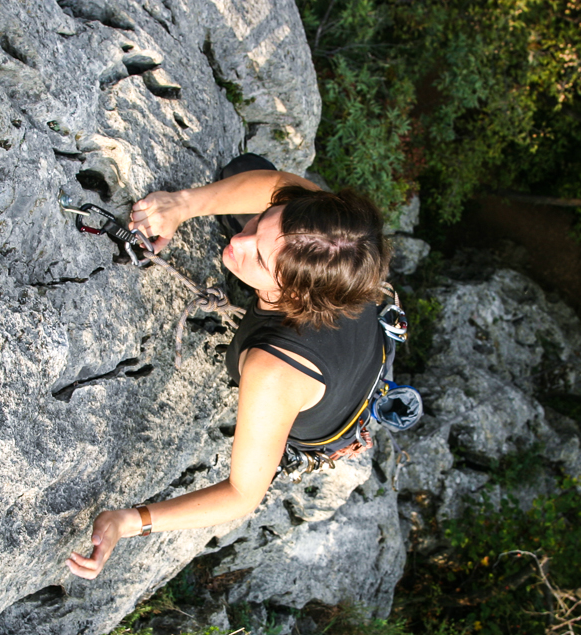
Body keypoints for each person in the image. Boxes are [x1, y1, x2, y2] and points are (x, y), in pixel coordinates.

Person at [66, 156, 389, 580]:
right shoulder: (333, 236)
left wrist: (130, 521)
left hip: (325, 412)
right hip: (364, 345)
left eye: (257, 257)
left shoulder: (274, 371)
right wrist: (182, 205)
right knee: (244, 168)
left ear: (294, 292)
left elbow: (241, 493)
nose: (238, 242)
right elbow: (275, 183)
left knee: (247, 356)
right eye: (262, 222)